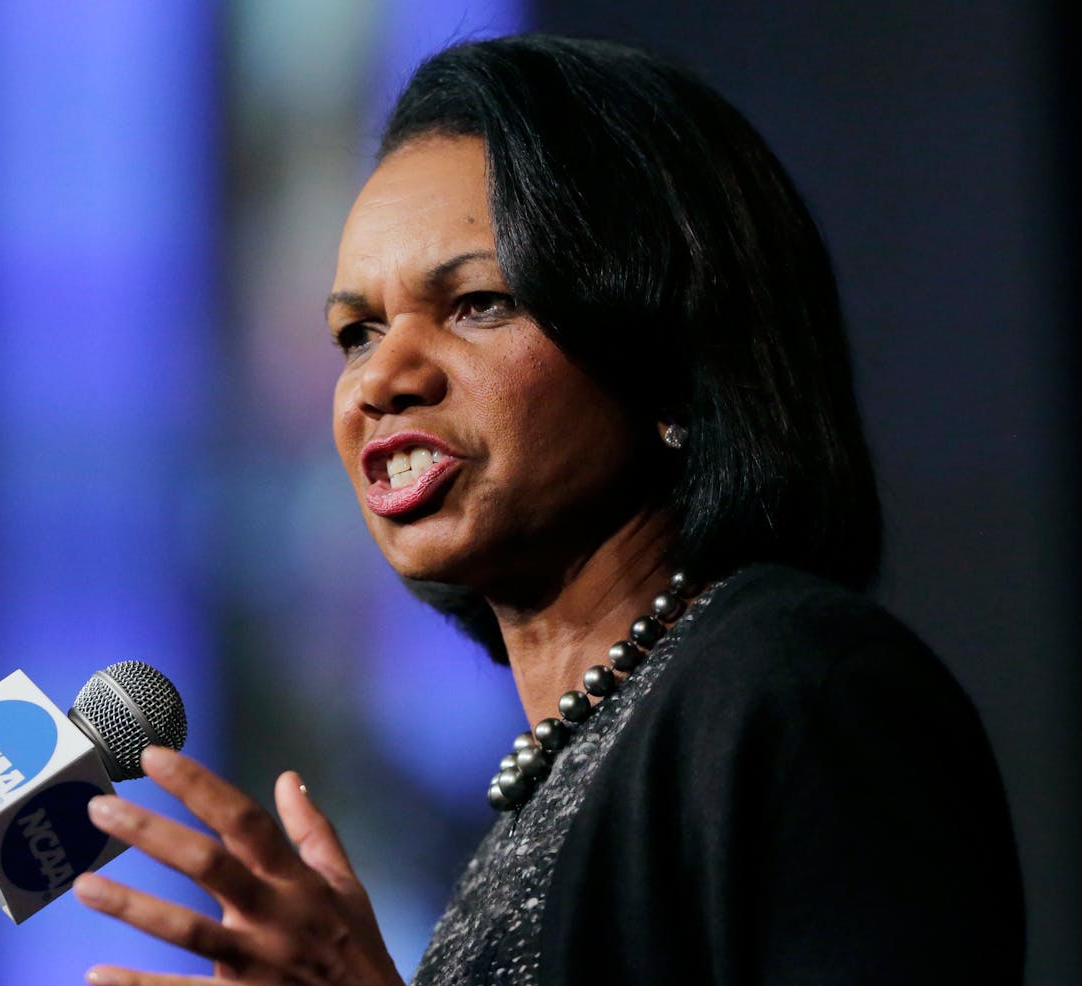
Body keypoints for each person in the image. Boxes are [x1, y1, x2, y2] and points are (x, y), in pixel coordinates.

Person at [71, 33, 1025, 986]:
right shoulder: (559, 775)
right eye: (356, 333)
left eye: (479, 303)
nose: (383, 380)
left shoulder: (801, 690)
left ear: (670, 359)